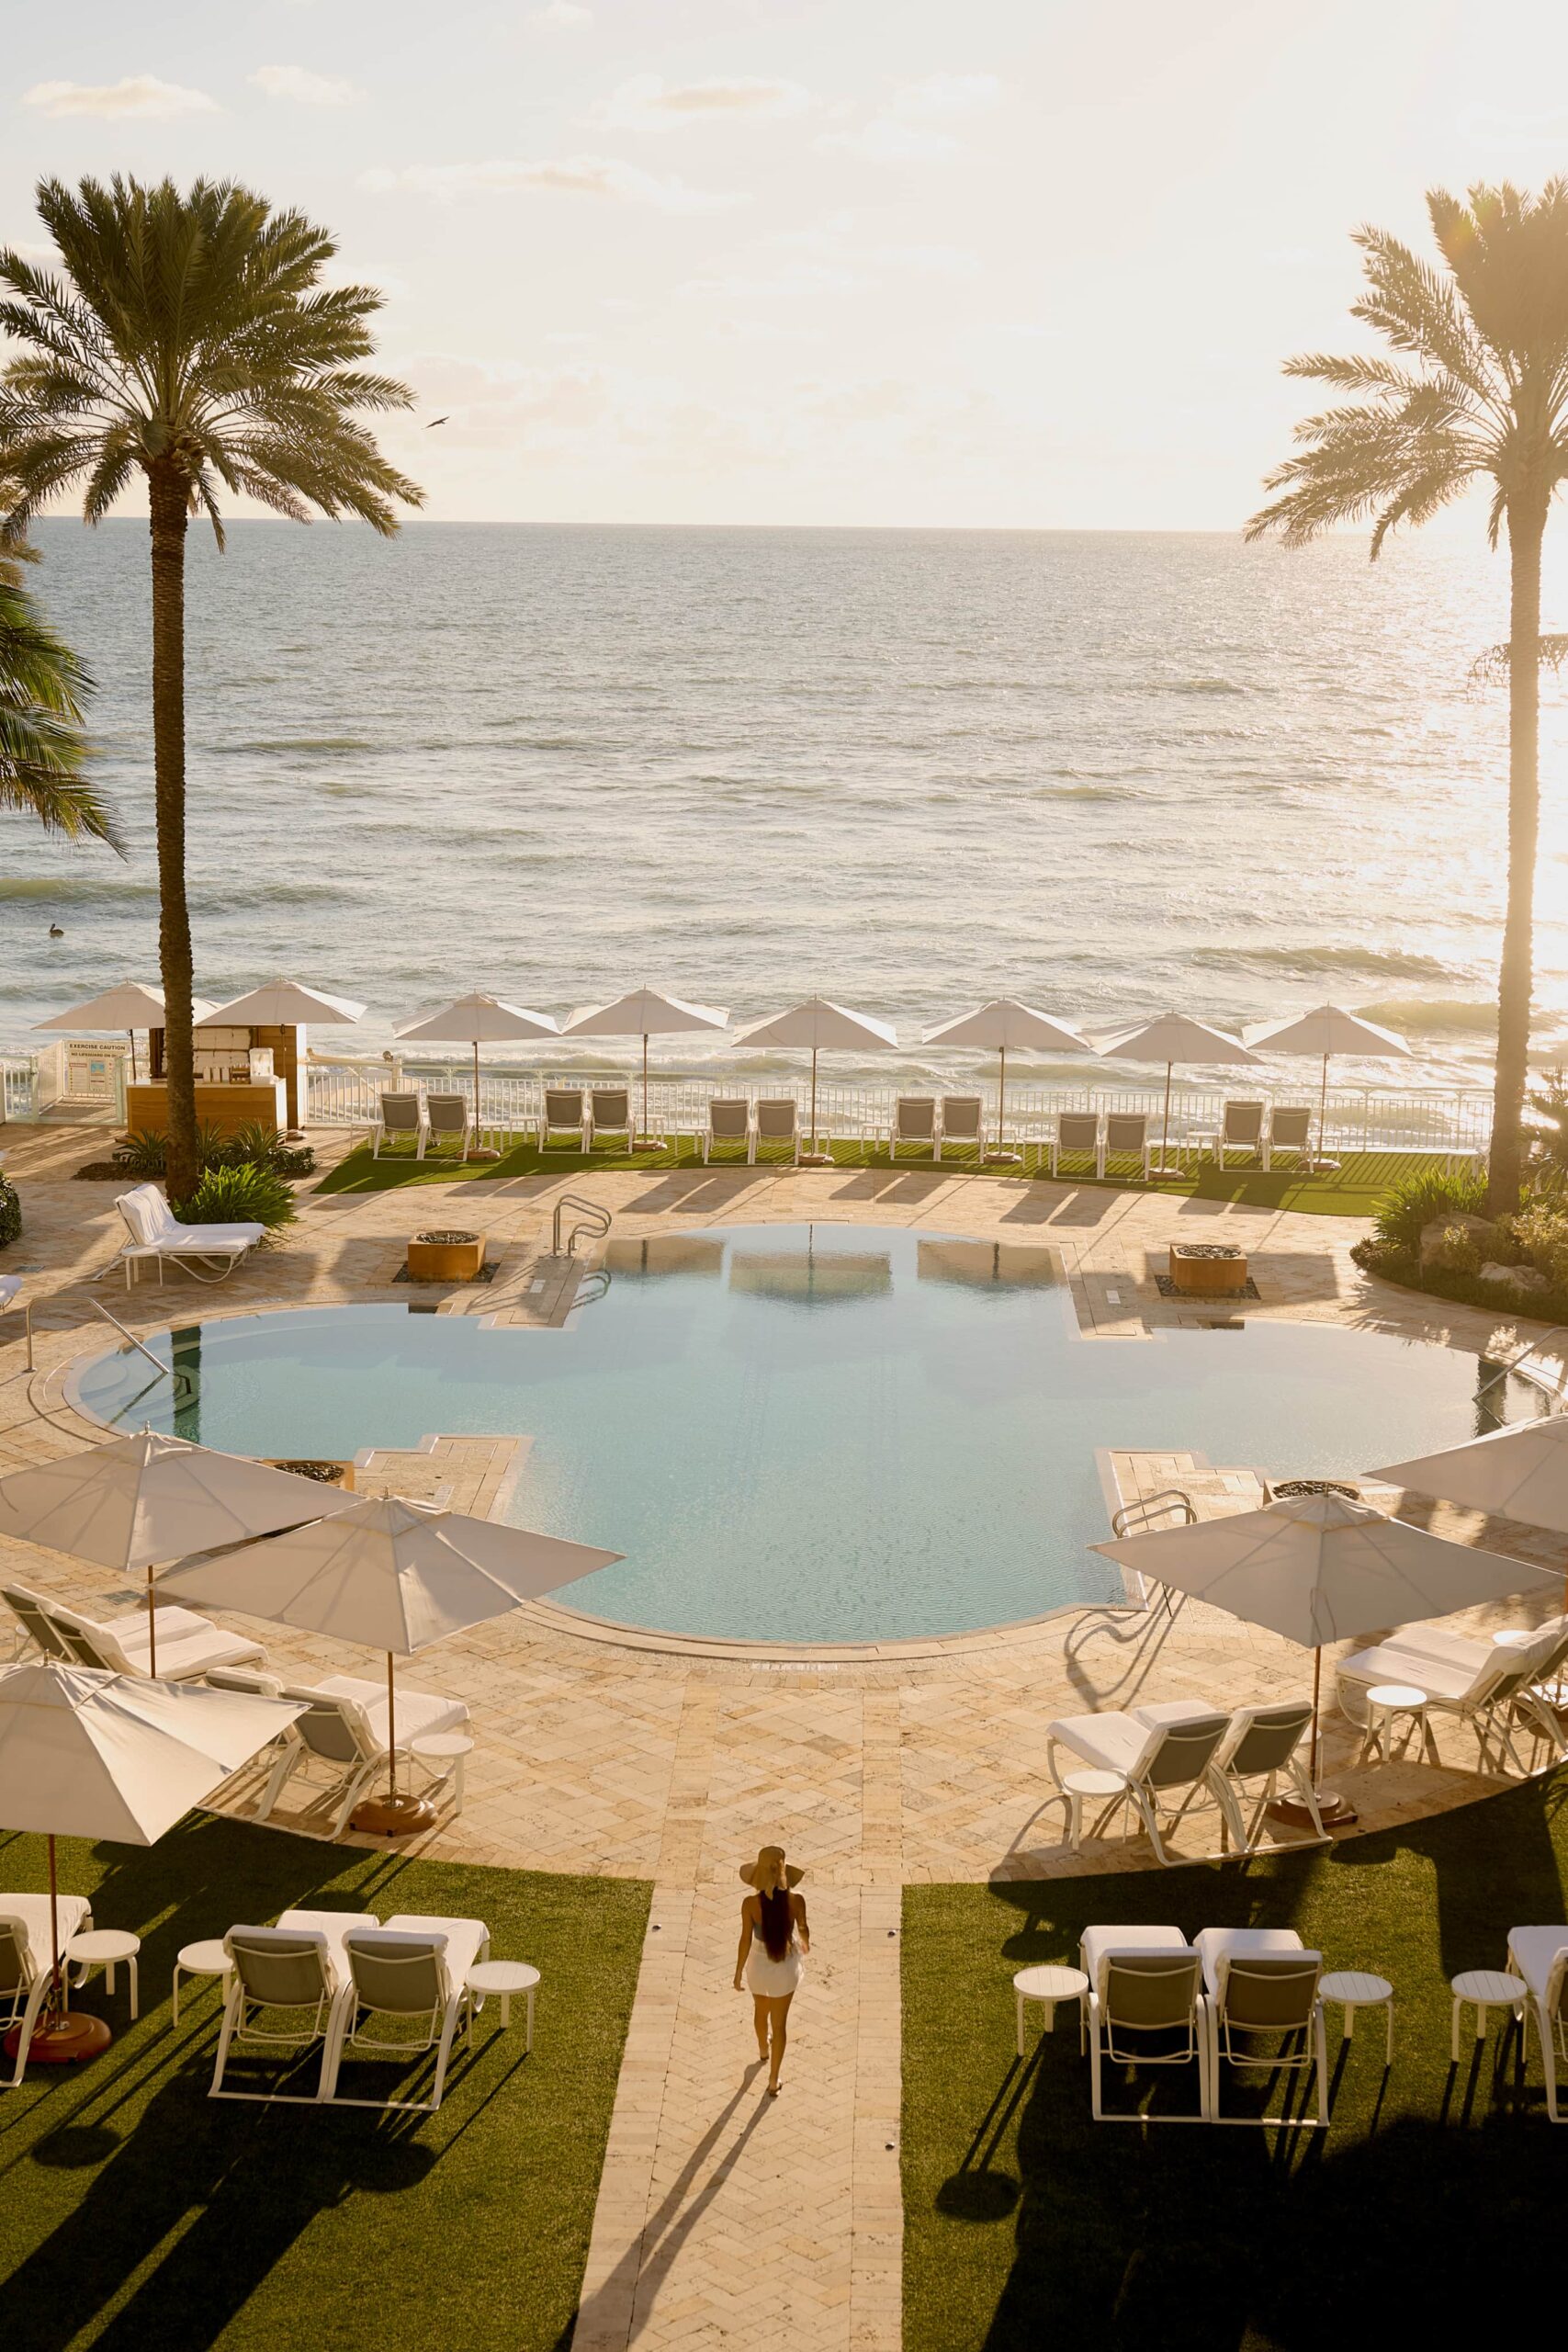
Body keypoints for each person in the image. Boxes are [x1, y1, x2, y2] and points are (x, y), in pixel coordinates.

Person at [734, 1845, 808, 2097]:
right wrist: (805, 1942)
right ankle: (774, 2080)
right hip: (785, 1967)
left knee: (760, 2011)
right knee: (780, 2026)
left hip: (758, 1966)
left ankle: (762, 2051)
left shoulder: (750, 1904)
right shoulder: (796, 1901)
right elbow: (804, 1929)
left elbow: (745, 1939)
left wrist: (737, 1972)